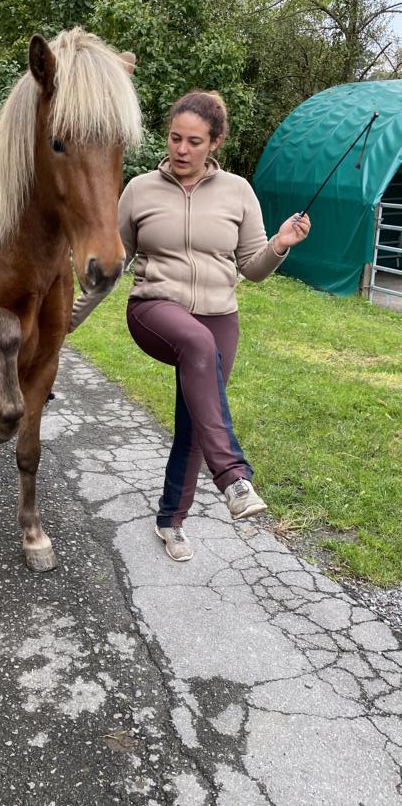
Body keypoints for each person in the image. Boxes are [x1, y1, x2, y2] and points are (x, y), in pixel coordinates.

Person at [70, 90, 311, 562]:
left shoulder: (237, 192)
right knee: (198, 344)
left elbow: (252, 267)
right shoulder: (140, 190)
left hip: (220, 317)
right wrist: (67, 320)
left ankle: (171, 521)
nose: (181, 149)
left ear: (215, 142)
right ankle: (234, 478)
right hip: (154, 308)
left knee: (197, 425)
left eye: (194, 141)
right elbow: (114, 264)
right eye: (175, 138)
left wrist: (280, 244)